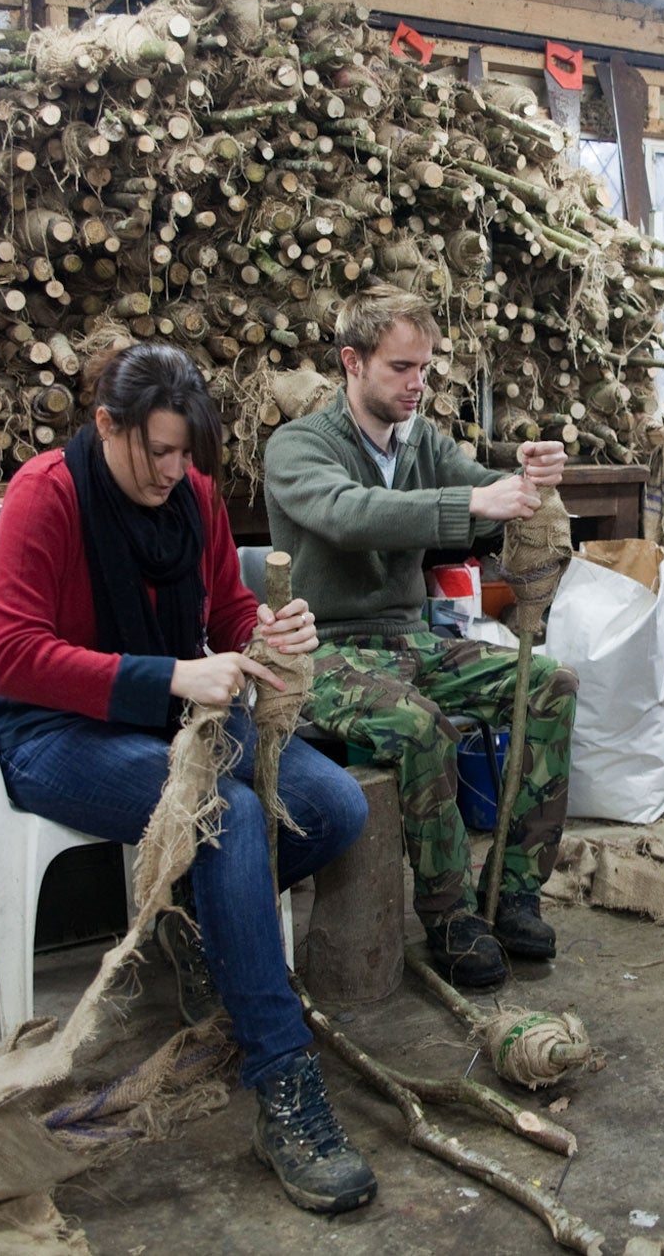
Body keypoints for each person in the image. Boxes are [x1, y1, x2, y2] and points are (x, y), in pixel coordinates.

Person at [0, 342, 376, 1215]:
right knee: (226, 815)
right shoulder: (46, 495)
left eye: (183, 452)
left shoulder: (193, 495)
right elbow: (11, 656)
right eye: (153, 450)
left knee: (333, 804)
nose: (171, 470)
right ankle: (282, 1080)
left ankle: (200, 924)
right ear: (106, 425)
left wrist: (271, 629)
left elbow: (226, 609)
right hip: (54, 731)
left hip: (163, 721)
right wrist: (166, 674)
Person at [263, 285, 579, 990]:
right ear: (352, 361)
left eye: (425, 368)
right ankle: (449, 915)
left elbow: (482, 486)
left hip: (410, 640)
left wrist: (525, 478)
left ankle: (515, 889)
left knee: (549, 683)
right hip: (324, 650)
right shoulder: (296, 447)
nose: (418, 384)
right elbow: (351, 514)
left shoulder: (422, 442)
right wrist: (473, 501)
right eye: (400, 367)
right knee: (418, 724)